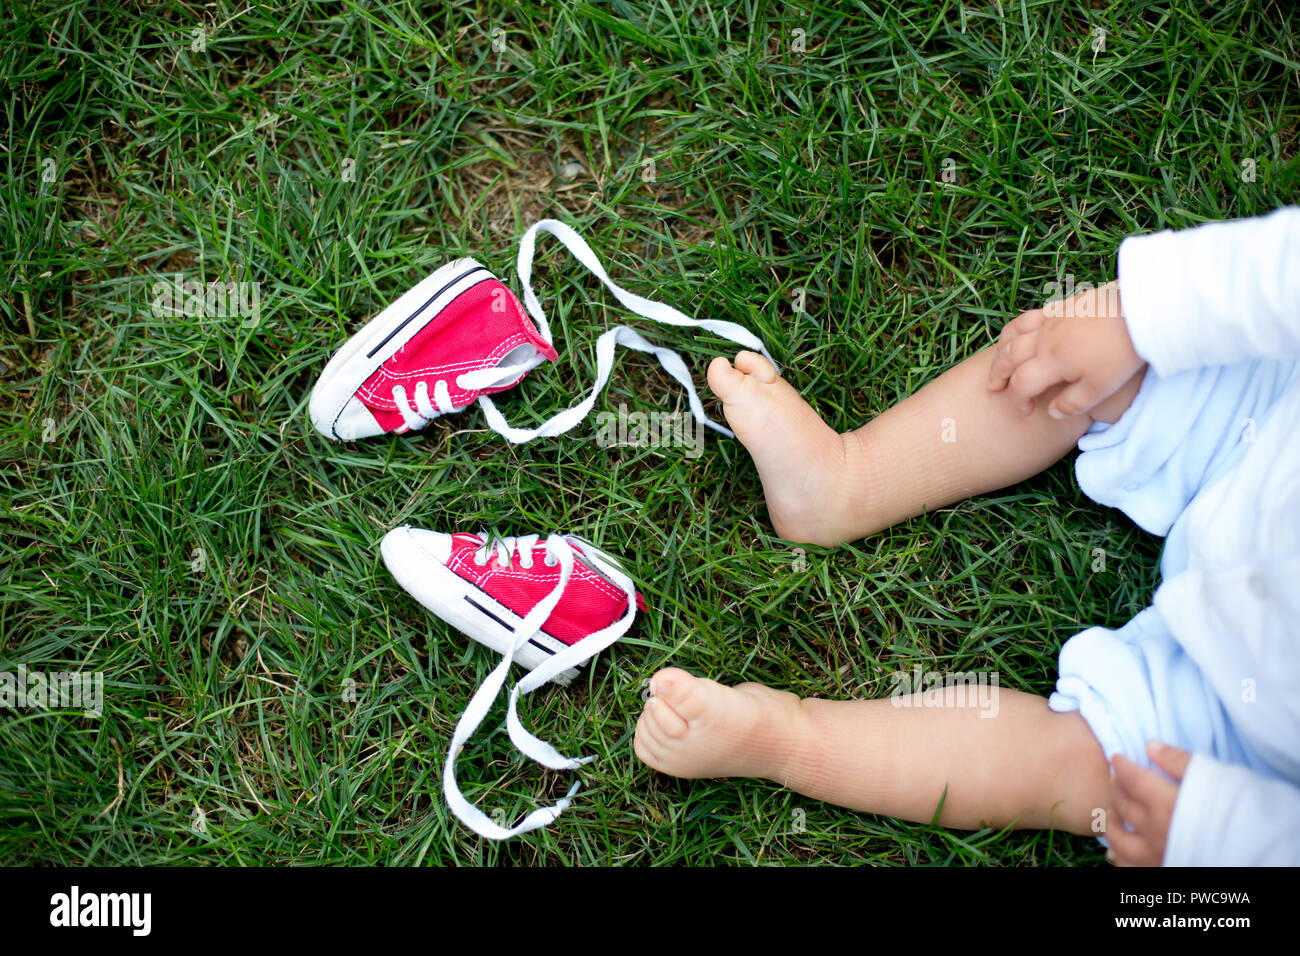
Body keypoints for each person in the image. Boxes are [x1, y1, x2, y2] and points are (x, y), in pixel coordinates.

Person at [633, 207, 1300, 865]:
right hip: (1267, 436)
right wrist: (1146, 315)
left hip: (1257, 737)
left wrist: (1218, 835)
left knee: (1084, 773)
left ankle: (786, 742)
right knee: (1069, 369)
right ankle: (846, 481)